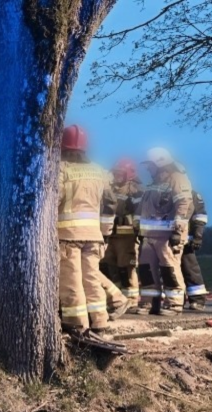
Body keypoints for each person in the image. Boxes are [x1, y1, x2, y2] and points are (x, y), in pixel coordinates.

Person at [58, 125, 124, 335]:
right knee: (92, 280)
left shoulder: (61, 169)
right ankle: (100, 323)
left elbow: (52, 199)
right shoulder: (99, 171)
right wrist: (105, 233)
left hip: (67, 236)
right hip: (94, 236)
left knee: (72, 282)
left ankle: (76, 324)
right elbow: (110, 204)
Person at [135, 147, 193, 316]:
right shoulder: (154, 183)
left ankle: (174, 305)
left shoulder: (177, 179)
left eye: (150, 165)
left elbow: (184, 205)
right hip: (149, 236)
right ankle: (149, 303)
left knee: (169, 271)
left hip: (167, 236)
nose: (147, 169)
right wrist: (138, 227)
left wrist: (177, 231)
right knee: (146, 271)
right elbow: (144, 208)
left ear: (160, 164)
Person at [102, 158, 143, 308]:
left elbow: (139, 212)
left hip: (127, 235)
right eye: (116, 173)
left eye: (121, 173)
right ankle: (116, 298)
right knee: (108, 264)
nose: (117, 176)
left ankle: (131, 300)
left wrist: (125, 219)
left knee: (126, 266)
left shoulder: (136, 190)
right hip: (110, 234)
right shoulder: (110, 187)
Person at [182, 190, 210, 310]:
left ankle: (198, 299)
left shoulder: (192, 194)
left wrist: (197, 236)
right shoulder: (165, 191)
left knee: (190, 268)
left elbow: (200, 217)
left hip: (186, 240)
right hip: (167, 238)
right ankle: (177, 300)